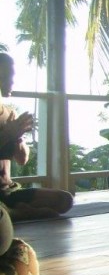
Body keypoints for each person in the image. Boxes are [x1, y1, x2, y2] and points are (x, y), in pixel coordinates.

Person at [0, 53, 73, 220]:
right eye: (8, 76)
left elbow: (22, 159)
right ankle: (16, 213)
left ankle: (14, 212)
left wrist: (17, 137)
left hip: (9, 190)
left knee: (64, 200)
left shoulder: (11, 115)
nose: (12, 81)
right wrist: (6, 135)